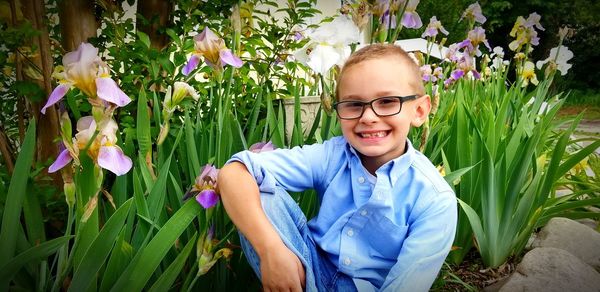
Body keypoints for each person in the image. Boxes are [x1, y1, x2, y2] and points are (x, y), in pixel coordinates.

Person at [218, 43, 457, 292]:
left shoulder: (434, 199)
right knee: (262, 196)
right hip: (309, 271)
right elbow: (235, 170)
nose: (368, 117)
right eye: (354, 104)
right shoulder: (332, 156)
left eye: (387, 101)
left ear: (419, 111)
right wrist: (271, 250)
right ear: (338, 110)